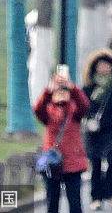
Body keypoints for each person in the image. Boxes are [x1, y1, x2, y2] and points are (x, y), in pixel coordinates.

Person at [34, 71, 91, 213]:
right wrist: (49, 90)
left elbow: (84, 105)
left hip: (73, 162)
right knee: (52, 202)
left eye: (64, 92)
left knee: (75, 203)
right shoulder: (48, 112)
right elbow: (38, 109)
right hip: (52, 162)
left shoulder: (75, 112)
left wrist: (72, 87)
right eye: (58, 92)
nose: (61, 94)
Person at [82, 50, 112, 211]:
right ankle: (96, 197)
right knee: (95, 163)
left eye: (107, 65)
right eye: (100, 66)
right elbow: (82, 108)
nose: (103, 68)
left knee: (111, 161)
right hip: (93, 131)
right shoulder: (88, 88)